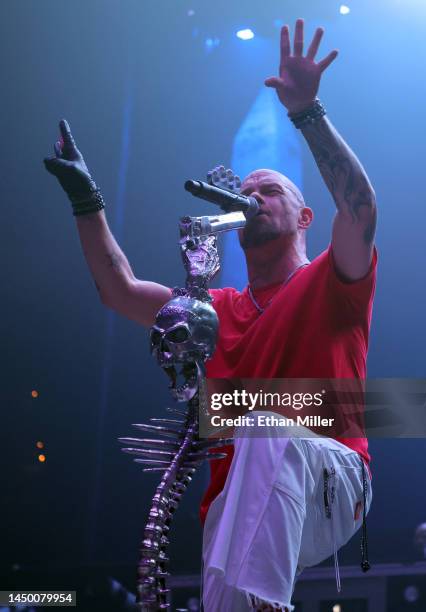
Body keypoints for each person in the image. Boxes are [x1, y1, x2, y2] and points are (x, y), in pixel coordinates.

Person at [44, 19, 377, 612]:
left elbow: (360, 207)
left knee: (263, 424)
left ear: (303, 219)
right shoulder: (214, 310)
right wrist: (85, 200)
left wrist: (307, 113)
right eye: (245, 190)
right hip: (238, 504)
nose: (252, 197)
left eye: (269, 190)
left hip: (333, 480)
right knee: (229, 561)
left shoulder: (331, 281)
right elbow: (119, 290)